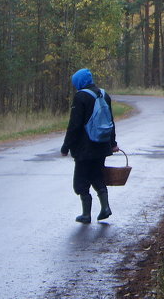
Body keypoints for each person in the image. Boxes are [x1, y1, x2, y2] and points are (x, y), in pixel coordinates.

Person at [60, 68, 117, 224]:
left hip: (85, 148)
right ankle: (105, 208)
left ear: (79, 82)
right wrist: (113, 144)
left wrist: (66, 146)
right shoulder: (104, 94)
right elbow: (110, 121)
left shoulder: (81, 97)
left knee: (80, 181)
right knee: (97, 175)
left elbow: (75, 125)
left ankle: (86, 215)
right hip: (102, 145)